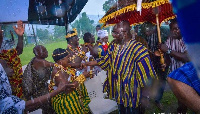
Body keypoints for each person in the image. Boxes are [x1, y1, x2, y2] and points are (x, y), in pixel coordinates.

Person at [85, 21, 157, 113]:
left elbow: (147, 75)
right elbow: (106, 61)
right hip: (119, 91)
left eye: (116, 32)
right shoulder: (113, 46)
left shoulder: (138, 49)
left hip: (133, 94)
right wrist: (89, 63)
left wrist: (145, 97)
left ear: (125, 33)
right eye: (113, 32)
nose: (113, 35)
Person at [0, 59, 73, 114]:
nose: (12, 69)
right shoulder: (39, 61)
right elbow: (25, 106)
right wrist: (57, 91)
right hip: (39, 91)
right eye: (6, 67)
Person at [160, 18, 190, 113]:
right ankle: (181, 109)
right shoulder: (170, 40)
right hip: (175, 74)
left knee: (185, 98)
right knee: (180, 97)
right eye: (173, 29)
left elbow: (186, 57)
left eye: (177, 29)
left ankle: (182, 110)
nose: (175, 31)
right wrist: (165, 63)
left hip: (187, 75)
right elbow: (168, 57)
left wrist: (168, 50)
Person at [50, 48, 91, 114]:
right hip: (66, 103)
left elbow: (74, 64)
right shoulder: (58, 74)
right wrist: (83, 76)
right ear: (61, 61)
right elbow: (68, 88)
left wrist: (82, 65)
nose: (70, 59)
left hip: (74, 98)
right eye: (68, 58)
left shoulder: (63, 65)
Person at [142, 22, 170, 110]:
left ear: (153, 29)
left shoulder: (163, 30)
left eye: (147, 32)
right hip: (149, 58)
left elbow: (168, 46)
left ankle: (158, 100)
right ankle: (147, 97)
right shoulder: (142, 31)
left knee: (162, 78)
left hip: (162, 58)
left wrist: (163, 55)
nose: (146, 33)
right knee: (148, 78)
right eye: (145, 32)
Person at [22, 45, 55, 114]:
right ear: (37, 53)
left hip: (41, 89)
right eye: (43, 51)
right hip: (39, 92)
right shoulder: (39, 61)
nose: (46, 52)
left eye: (46, 50)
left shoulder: (39, 60)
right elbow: (55, 65)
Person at [0, 20, 24, 98]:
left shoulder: (3, 53)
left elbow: (18, 51)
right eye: (1, 31)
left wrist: (20, 36)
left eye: (1, 30)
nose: (2, 33)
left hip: (17, 93)